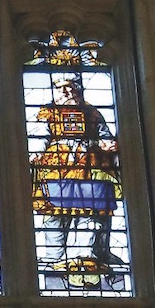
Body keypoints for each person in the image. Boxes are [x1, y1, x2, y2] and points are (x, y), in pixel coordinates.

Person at [30, 75, 122, 274]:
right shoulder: (47, 112)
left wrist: (107, 143)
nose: (67, 92)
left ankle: (84, 255)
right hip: (57, 166)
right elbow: (39, 135)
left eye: (71, 87)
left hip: (89, 165)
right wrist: (36, 150)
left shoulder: (92, 113)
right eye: (61, 88)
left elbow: (103, 133)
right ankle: (53, 256)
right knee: (54, 214)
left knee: (90, 212)